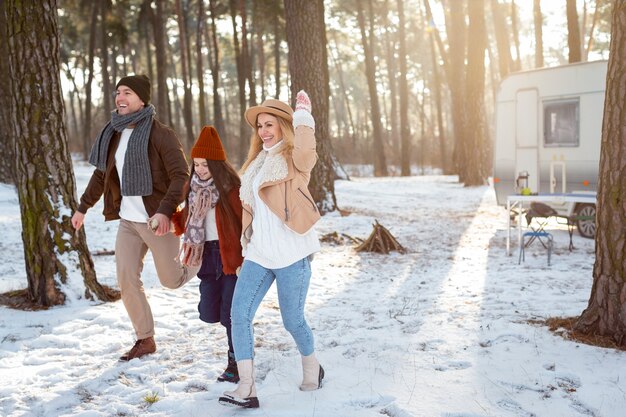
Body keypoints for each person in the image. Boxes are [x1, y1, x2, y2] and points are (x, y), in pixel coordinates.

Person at [71, 74, 199, 361]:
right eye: (118, 92)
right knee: (127, 278)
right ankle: (145, 338)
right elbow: (102, 174)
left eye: (127, 92)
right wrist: (83, 207)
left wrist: (166, 211)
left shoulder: (160, 134)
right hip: (128, 221)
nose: (120, 97)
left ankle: (200, 259)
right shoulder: (113, 133)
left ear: (142, 98)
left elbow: (181, 176)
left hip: (156, 220)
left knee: (171, 280)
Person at [218, 91, 324, 409]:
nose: (264, 130)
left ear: (284, 126)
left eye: (270, 124)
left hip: (292, 253)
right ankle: (246, 386)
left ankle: (312, 367)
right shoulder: (255, 165)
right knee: (239, 314)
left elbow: (307, 150)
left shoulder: (295, 160)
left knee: (292, 320)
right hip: (260, 254)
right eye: (260, 125)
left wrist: (303, 116)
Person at [171, 125, 244, 383]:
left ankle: (236, 362)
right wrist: (168, 221)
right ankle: (240, 348)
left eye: (206, 164)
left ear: (217, 163)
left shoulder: (232, 190)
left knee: (231, 314)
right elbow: (185, 219)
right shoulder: (194, 191)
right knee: (209, 310)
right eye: (197, 164)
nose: (201, 169)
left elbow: (246, 224)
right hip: (206, 257)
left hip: (231, 258)